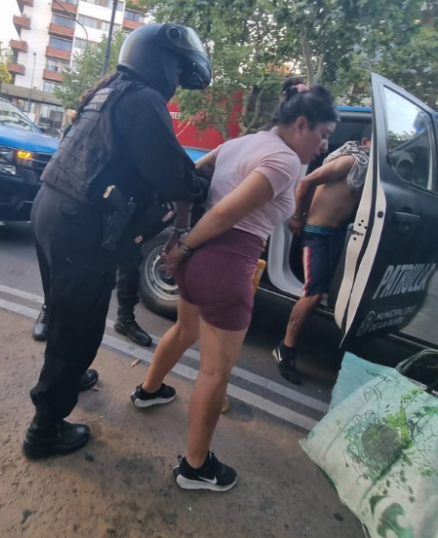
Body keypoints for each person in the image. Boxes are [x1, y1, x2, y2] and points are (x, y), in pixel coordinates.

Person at [133, 78, 336, 492]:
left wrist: (183, 236)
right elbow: (225, 213)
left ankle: (149, 391)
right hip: (225, 268)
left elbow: (192, 175)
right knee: (214, 372)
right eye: (323, 134)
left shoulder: (241, 143)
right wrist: (183, 246)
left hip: (198, 265)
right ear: (301, 123)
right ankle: (195, 467)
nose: (324, 146)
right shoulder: (285, 161)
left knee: (184, 330)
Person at [24, 23, 211, 459]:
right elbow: (171, 172)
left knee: (65, 316)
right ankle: (44, 430)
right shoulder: (143, 99)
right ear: (159, 61)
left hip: (51, 208)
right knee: (78, 328)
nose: (177, 81)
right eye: (177, 70)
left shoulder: (111, 92)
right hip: (79, 225)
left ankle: (70, 378)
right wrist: (200, 185)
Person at [273, 124, 372, 383]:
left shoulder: (367, 171)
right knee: (313, 294)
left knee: (321, 293)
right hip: (318, 233)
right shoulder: (351, 161)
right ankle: (285, 349)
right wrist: (298, 216)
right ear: (366, 141)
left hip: (335, 235)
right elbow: (307, 181)